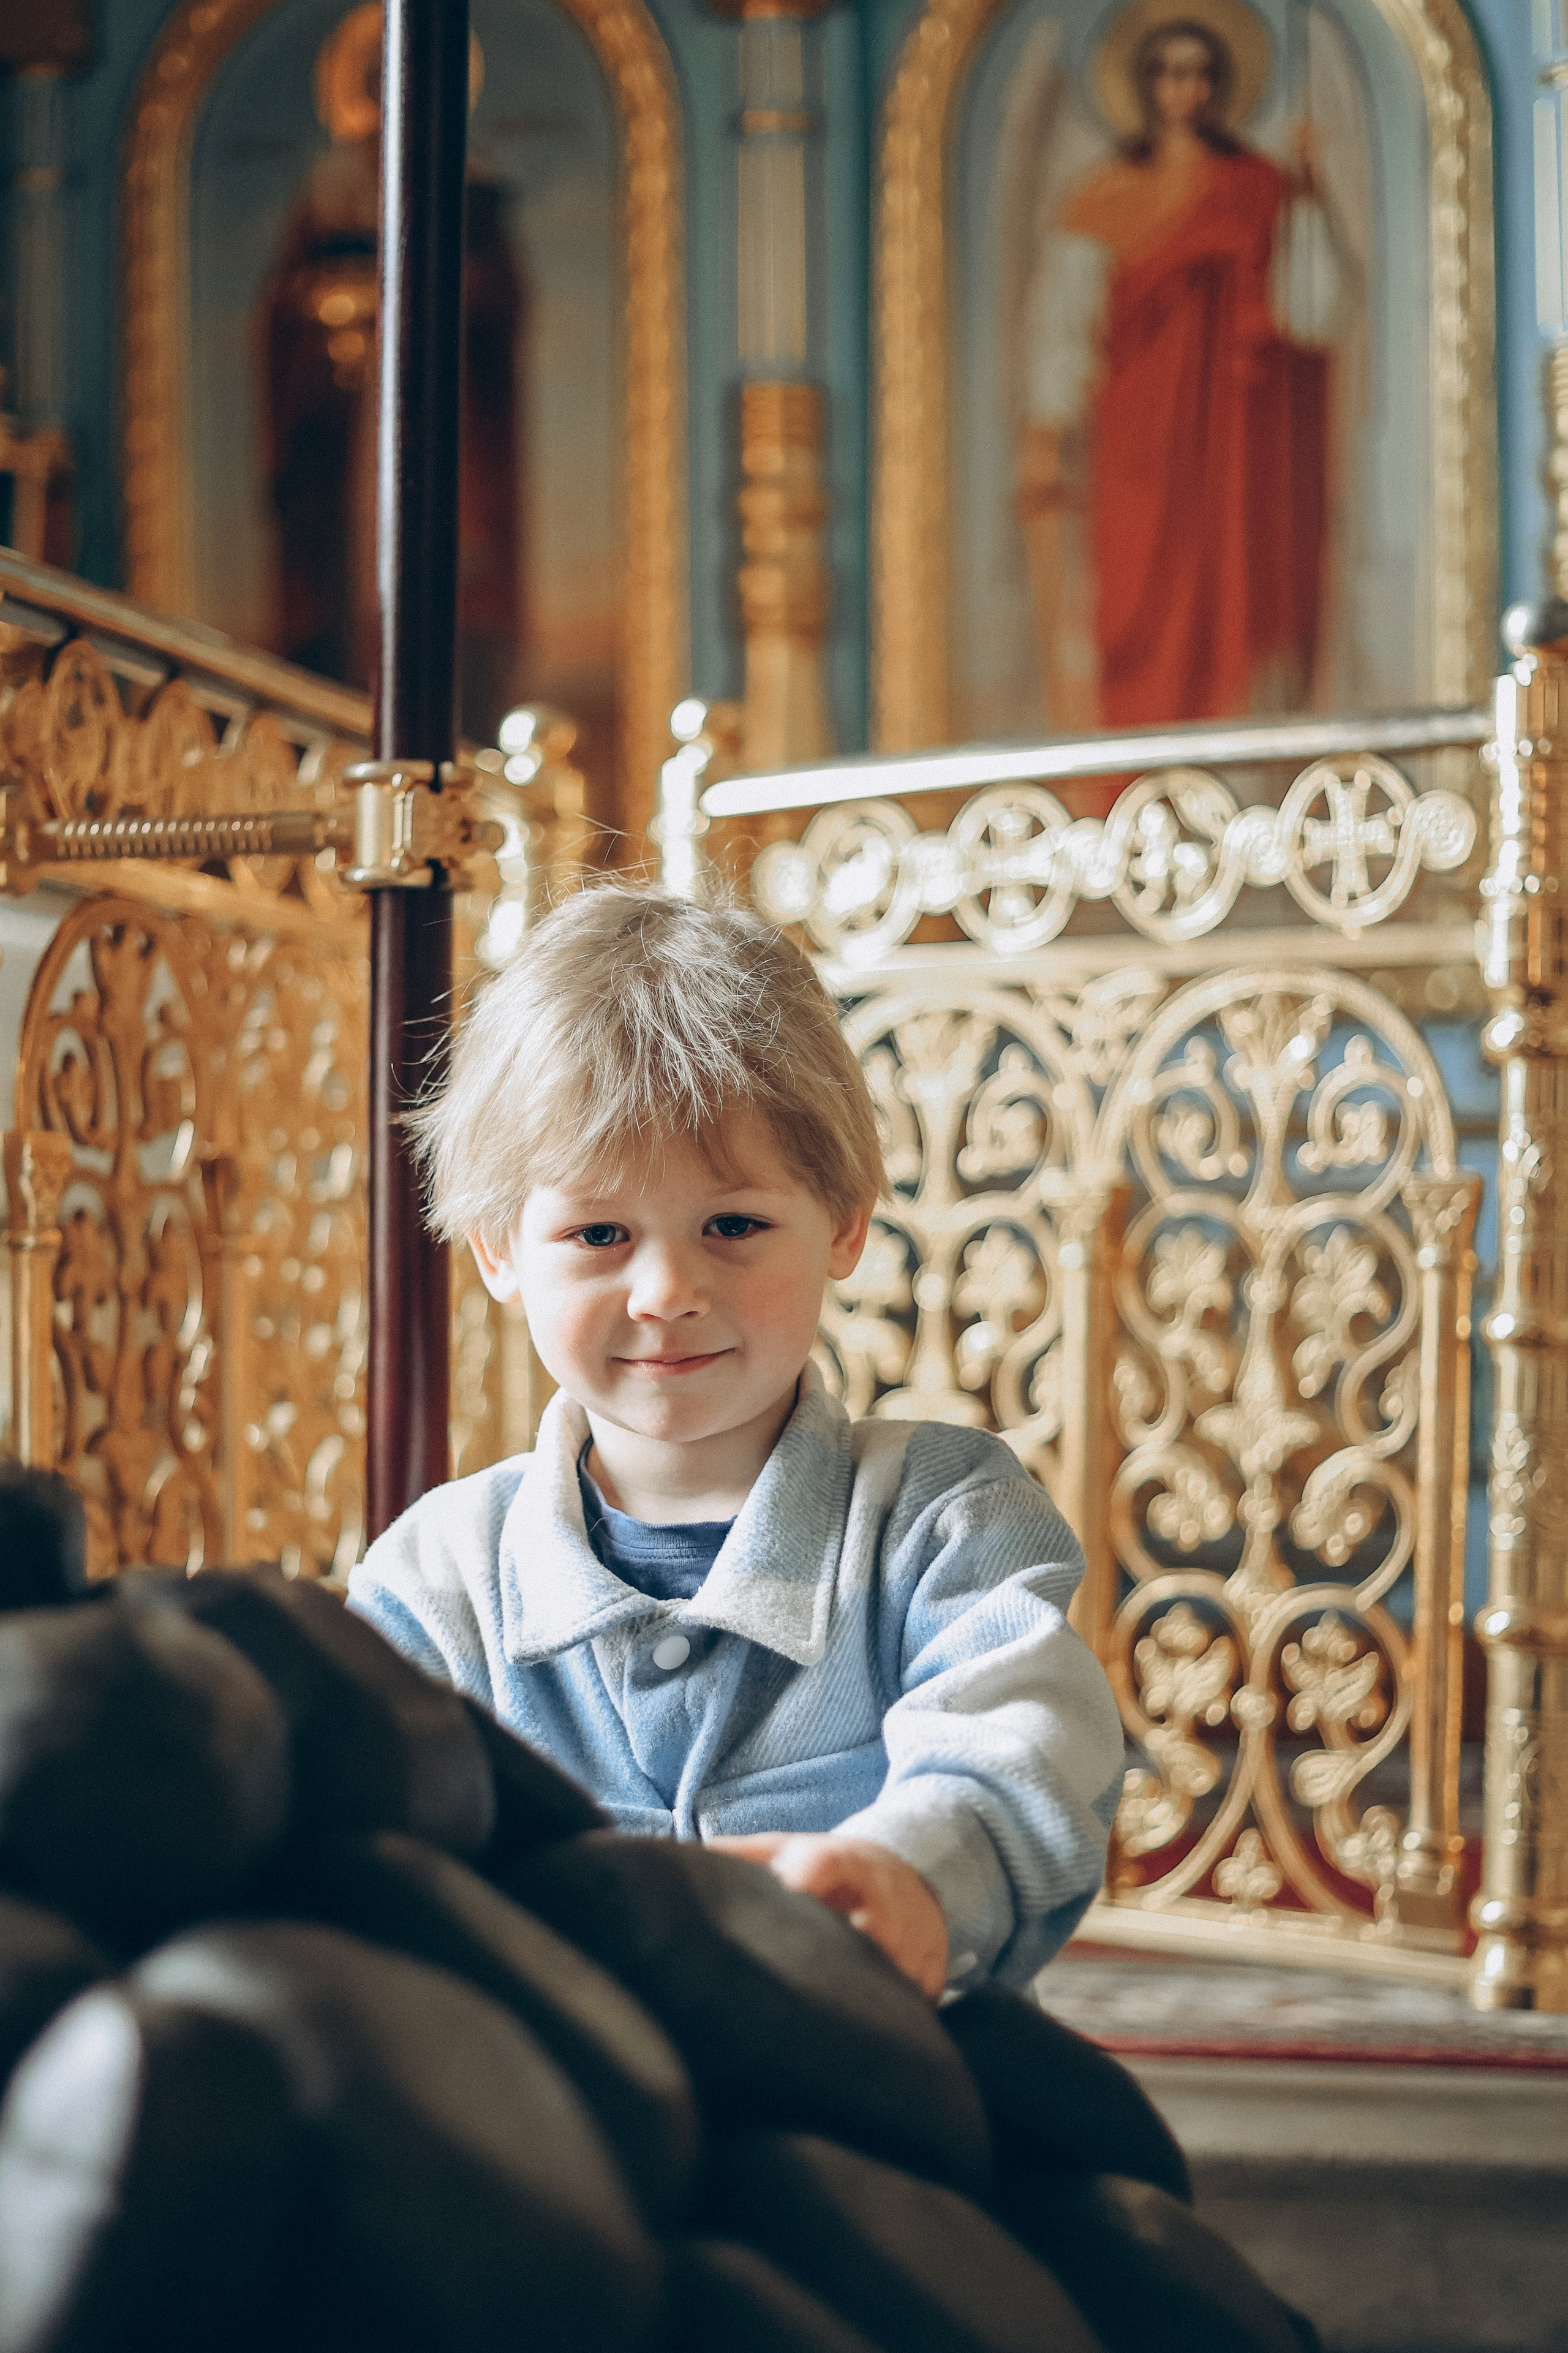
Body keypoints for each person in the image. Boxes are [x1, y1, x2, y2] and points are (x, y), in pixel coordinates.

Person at [349, 886, 1124, 1999]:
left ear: (845, 1223)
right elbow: (367, 1839)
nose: (667, 1292)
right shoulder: (438, 1577)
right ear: (498, 1251)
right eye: (599, 1233)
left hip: (867, 2081)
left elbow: (1026, 1740)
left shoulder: (947, 1517)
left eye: (733, 1226)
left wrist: (908, 1875)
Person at [1017, 8, 1338, 733]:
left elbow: (1313, 312)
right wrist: (1046, 427)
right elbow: (1067, 329)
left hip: (1234, 446)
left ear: (1218, 85)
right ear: (1144, 84)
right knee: (1128, 603)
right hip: (1135, 440)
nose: (1181, 89)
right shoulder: (1103, 196)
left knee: (1231, 600)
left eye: (1196, 73)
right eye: (1166, 72)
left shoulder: (1261, 186)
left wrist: (1310, 194)